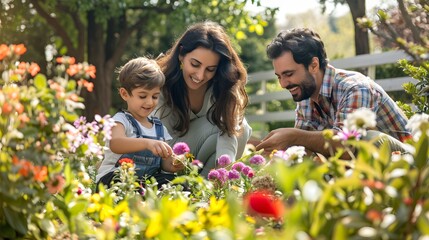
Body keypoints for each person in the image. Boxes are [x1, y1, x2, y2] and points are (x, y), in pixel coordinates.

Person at [256, 28, 411, 157]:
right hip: (368, 172)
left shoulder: (355, 87)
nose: (283, 84)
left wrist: (293, 136)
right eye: (279, 77)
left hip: (414, 167)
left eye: (289, 74)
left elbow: (347, 146)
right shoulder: (306, 95)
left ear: (314, 65)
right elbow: (304, 149)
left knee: (371, 139)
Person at [154, 21, 252, 177]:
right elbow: (151, 136)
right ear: (181, 54)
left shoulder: (222, 86)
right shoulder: (160, 82)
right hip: (165, 157)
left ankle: (208, 187)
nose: (200, 76)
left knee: (239, 128)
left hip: (197, 159)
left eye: (210, 69)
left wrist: (225, 175)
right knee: (220, 125)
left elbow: (229, 137)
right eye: (195, 64)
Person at [96, 57, 184, 190]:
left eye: (155, 96)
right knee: (122, 182)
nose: (150, 102)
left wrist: (174, 164)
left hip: (146, 181)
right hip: (116, 178)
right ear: (125, 94)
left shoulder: (159, 128)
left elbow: (165, 164)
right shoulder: (120, 120)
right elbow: (116, 143)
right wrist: (147, 143)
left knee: (176, 183)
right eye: (143, 96)